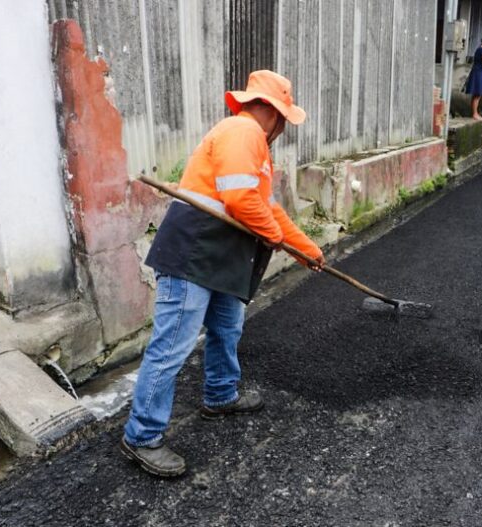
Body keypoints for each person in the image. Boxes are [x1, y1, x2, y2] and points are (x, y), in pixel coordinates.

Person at [120, 70, 325, 477]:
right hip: (195, 249)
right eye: (284, 117)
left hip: (224, 254)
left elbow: (268, 209)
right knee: (172, 346)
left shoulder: (256, 150)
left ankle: (219, 395)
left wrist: (305, 248)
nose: (284, 127)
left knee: (227, 329)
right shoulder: (241, 131)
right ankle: (141, 436)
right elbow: (240, 200)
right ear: (271, 111)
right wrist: (274, 238)